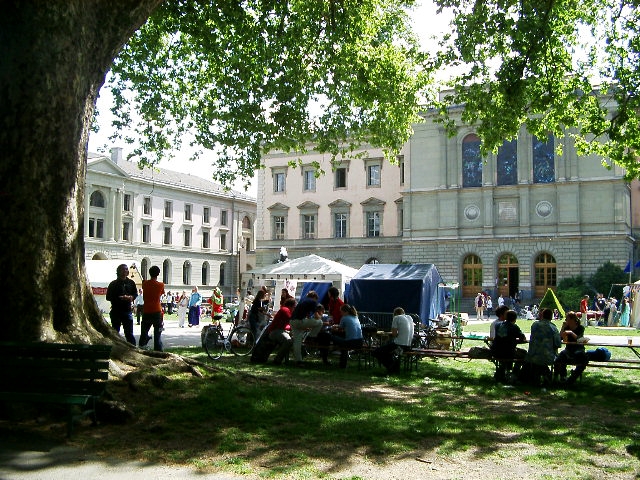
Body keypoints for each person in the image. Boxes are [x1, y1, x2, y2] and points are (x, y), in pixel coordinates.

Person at [523, 308, 561, 386]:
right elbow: (558, 344)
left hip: (532, 355)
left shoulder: (535, 325)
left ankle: (538, 377)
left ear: (542, 315)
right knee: (550, 358)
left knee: (538, 359)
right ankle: (549, 377)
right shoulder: (553, 328)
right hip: (548, 356)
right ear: (551, 316)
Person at [372, 307, 415, 374]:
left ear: (395, 314)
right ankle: (394, 367)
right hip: (408, 346)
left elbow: (394, 334)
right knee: (388, 351)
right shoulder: (410, 317)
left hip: (399, 344)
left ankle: (391, 367)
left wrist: (388, 334)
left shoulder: (396, 318)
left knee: (377, 352)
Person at [105, 264, 138, 346]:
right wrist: (120, 298)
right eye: (123, 269)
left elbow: (135, 294)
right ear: (118, 271)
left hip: (127, 311)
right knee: (115, 333)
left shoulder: (131, 283)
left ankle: (133, 349)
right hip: (116, 311)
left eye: (126, 269)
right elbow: (108, 297)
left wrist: (130, 297)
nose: (125, 271)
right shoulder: (113, 284)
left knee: (129, 333)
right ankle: (115, 348)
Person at [491, 310, 527, 383]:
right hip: (508, 352)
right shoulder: (514, 327)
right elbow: (522, 338)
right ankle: (514, 373)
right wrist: (514, 341)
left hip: (495, 351)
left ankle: (502, 372)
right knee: (524, 354)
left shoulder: (497, 325)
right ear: (515, 319)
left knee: (506, 352)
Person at [554, 311, 588, 385]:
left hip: (578, 349)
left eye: (567, 319)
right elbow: (560, 338)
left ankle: (572, 378)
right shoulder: (566, 327)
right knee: (560, 358)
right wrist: (563, 327)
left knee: (583, 359)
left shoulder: (580, 328)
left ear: (572, 319)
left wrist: (571, 333)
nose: (566, 320)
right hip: (569, 349)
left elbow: (579, 339)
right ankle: (562, 377)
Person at [290, 291, 323, 366]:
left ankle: (298, 361)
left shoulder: (302, 301)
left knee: (297, 342)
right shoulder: (312, 302)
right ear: (314, 297)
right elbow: (317, 316)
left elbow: (307, 316)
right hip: (300, 321)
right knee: (320, 322)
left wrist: (308, 324)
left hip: (292, 321)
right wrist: (321, 317)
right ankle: (311, 337)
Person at [329, 304, 364, 369]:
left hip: (351, 342)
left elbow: (340, 328)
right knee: (343, 345)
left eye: (341, 312)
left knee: (331, 337)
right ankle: (342, 365)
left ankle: (341, 364)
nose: (340, 313)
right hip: (360, 342)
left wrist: (333, 327)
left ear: (345, 312)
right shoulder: (355, 317)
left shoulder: (344, 318)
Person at [139, 265, 165, 351]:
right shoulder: (161, 285)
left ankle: (142, 345)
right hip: (157, 310)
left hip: (146, 310)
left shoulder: (144, 283)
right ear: (158, 274)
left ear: (149, 273)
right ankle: (158, 349)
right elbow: (161, 293)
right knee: (158, 332)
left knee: (144, 330)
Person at [266, 297, 295, 365]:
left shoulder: (285, 309)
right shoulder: (285, 310)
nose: (294, 308)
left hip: (279, 330)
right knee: (288, 341)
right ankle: (277, 360)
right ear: (291, 306)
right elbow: (291, 320)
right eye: (294, 307)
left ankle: (286, 360)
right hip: (275, 331)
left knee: (293, 338)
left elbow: (288, 324)